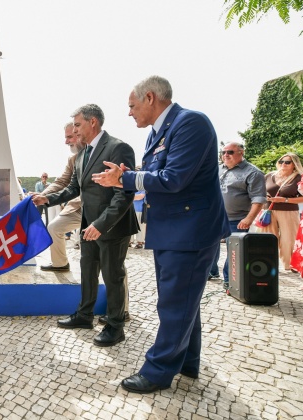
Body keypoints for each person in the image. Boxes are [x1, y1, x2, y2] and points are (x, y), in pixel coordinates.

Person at [92, 75, 230, 393]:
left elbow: (174, 178)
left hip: (190, 232)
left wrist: (125, 181)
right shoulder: (158, 132)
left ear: (151, 98)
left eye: (132, 105)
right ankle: (187, 362)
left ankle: (158, 371)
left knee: (174, 304)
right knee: (183, 302)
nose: (129, 113)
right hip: (172, 231)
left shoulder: (190, 123)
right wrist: (128, 176)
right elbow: (156, 175)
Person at [33, 104, 137, 348]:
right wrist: (48, 199)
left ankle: (115, 326)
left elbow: (125, 193)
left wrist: (101, 224)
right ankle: (84, 315)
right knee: (88, 271)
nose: (75, 130)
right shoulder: (82, 155)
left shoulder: (118, 148)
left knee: (113, 275)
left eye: (78, 125)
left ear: (93, 122)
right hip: (88, 225)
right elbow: (74, 189)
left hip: (112, 226)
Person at [210, 142, 266, 288]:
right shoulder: (217, 169)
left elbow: (258, 199)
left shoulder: (253, 172)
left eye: (230, 152)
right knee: (209, 246)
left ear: (241, 153)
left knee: (233, 252)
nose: (225, 155)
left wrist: (249, 219)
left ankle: (230, 280)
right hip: (215, 217)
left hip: (237, 219)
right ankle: (211, 271)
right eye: (223, 152)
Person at [38, 122, 83, 272]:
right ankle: (60, 263)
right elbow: (63, 181)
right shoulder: (73, 159)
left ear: (80, 133)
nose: (66, 142)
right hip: (78, 207)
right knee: (54, 227)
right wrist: (42, 195)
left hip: (101, 209)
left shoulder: (101, 153)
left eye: (69, 137)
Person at [256, 153, 303, 272]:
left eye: (287, 162)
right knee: (267, 239)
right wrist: (264, 196)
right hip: (268, 211)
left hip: (288, 211)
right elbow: (258, 190)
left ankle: (290, 265)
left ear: (294, 164)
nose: (283, 164)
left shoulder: (299, 177)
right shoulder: (269, 175)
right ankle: (267, 264)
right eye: (282, 161)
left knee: (288, 239)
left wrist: (285, 200)